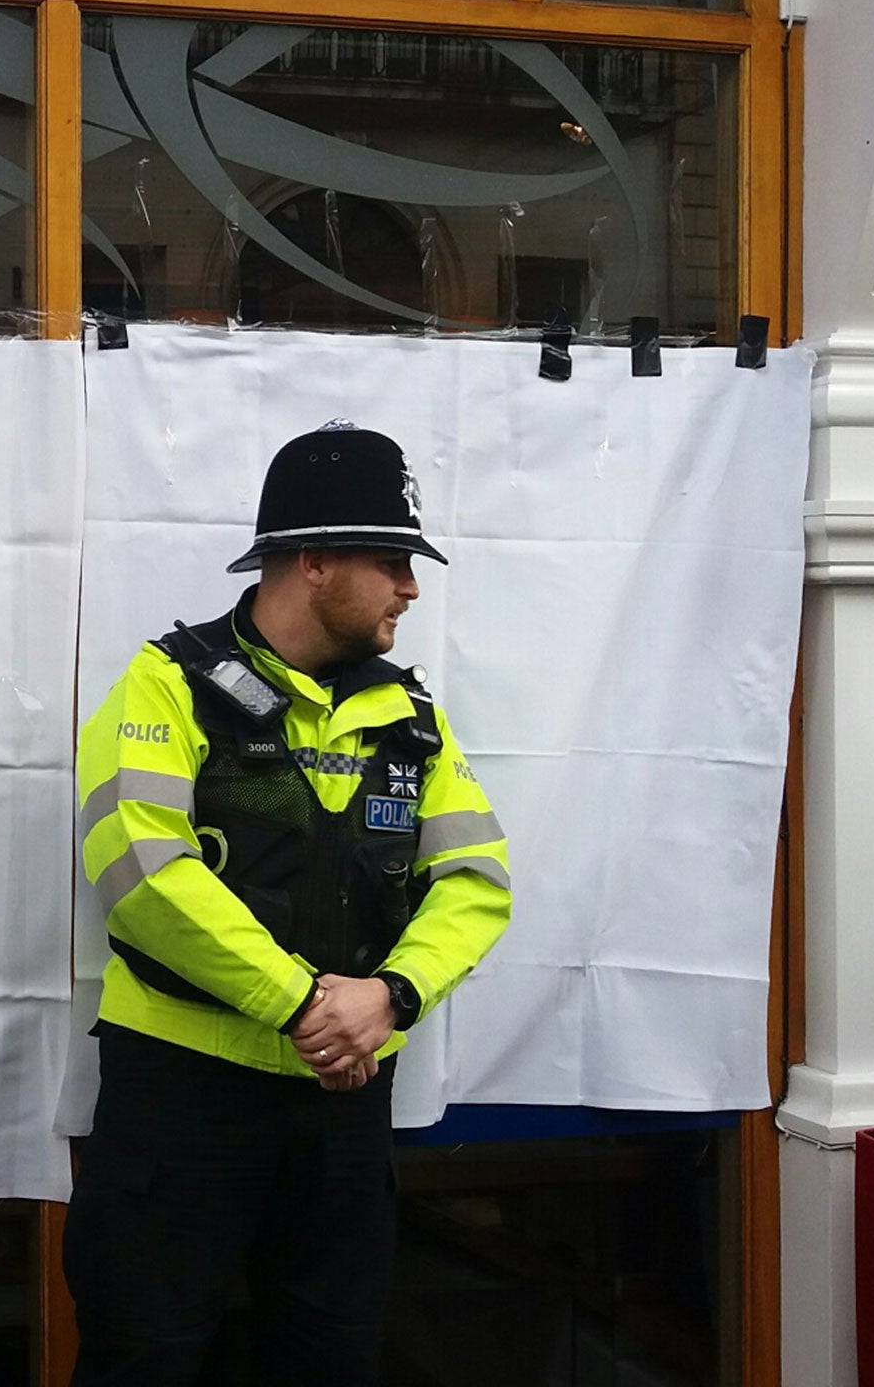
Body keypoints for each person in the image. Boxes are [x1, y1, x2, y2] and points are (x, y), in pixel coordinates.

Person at [64, 421, 512, 1385]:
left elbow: (475, 884)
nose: (412, 587)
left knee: (331, 1361)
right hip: (182, 1102)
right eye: (393, 560)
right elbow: (141, 871)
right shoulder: (166, 685)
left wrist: (389, 998)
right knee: (144, 1359)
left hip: (342, 1113)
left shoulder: (412, 719)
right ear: (312, 561)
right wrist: (310, 1003)